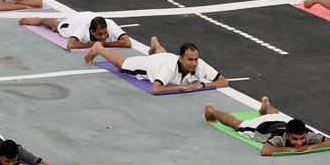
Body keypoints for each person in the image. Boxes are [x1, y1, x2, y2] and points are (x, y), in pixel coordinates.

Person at [84, 37, 228, 95]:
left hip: (164, 58)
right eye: (190, 60)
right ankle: (99, 49)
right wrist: (181, 87)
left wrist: (202, 86)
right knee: (122, 65)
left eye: (196, 59)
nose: (194, 63)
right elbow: (155, 89)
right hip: (149, 65)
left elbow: (223, 81)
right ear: (181, 58)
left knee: (162, 56)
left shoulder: (199, 64)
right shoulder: (169, 69)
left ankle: (156, 45)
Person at [204, 96, 330, 156]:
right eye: (295, 139)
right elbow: (265, 151)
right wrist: (290, 150)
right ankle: (212, 111)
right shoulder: (279, 138)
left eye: (301, 138)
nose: (299, 142)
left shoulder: (306, 135)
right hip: (261, 126)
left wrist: (310, 146)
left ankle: (266, 105)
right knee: (237, 124)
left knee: (276, 114)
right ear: (287, 135)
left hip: (281, 120)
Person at [19, 12, 131, 50]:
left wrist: (104, 43)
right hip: (77, 20)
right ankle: (40, 20)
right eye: (99, 34)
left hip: (90, 15)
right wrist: (94, 44)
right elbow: (71, 45)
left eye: (104, 34)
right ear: (91, 31)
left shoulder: (110, 24)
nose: (103, 37)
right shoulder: (82, 28)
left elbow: (127, 42)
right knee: (58, 27)